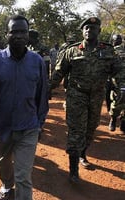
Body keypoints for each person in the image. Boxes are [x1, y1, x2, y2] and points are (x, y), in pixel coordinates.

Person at [0, 15, 49, 200]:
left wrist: (40, 123)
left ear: (28, 35)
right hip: (2, 126)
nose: (19, 35)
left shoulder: (37, 62)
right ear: (7, 34)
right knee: (3, 163)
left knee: (23, 177)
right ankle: (6, 184)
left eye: (23, 31)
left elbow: (42, 95)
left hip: (28, 126)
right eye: (14, 31)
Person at [51, 17, 125, 183]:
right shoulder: (72, 51)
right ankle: (73, 169)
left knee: (91, 128)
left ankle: (83, 153)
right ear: (82, 31)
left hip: (97, 96)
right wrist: (47, 89)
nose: (89, 30)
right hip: (76, 95)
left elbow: (119, 70)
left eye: (92, 28)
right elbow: (58, 72)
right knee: (76, 131)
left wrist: (122, 87)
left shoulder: (108, 51)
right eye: (86, 28)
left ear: (99, 31)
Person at [108, 34, 125, 132]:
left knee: (116, 101)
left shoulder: (111, 51)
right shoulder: (111, 51)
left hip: (117, 82)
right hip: (117, 81)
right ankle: (121, 122)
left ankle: (113, 120)